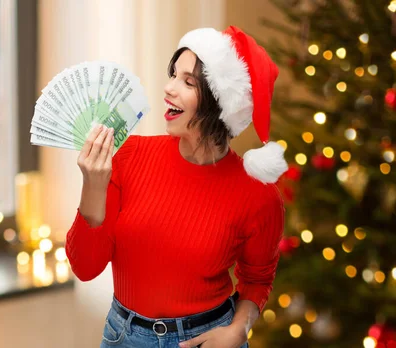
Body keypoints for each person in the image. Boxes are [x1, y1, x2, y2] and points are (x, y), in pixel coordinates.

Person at [65, 26, 287, 348]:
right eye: (173, 74)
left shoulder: (259, 195)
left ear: (220, 102)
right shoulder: (131, 154)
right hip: (124, 336)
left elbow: (257, 279)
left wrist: (238, 329)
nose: (168, 88)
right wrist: (93, 186)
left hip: (209, 338)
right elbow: (84, 268)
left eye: (187, 82)